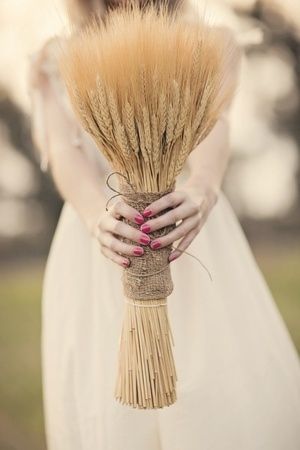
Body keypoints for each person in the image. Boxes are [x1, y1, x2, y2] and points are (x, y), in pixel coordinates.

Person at [27, 0, 300, 449]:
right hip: (104, 239)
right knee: (111, 408)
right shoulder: (55, 55)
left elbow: (215, 123)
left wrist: (203, 188)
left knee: (211, 396)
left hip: (186, 228)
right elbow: (62, 150)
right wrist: (99, 217)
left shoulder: (210, 39)